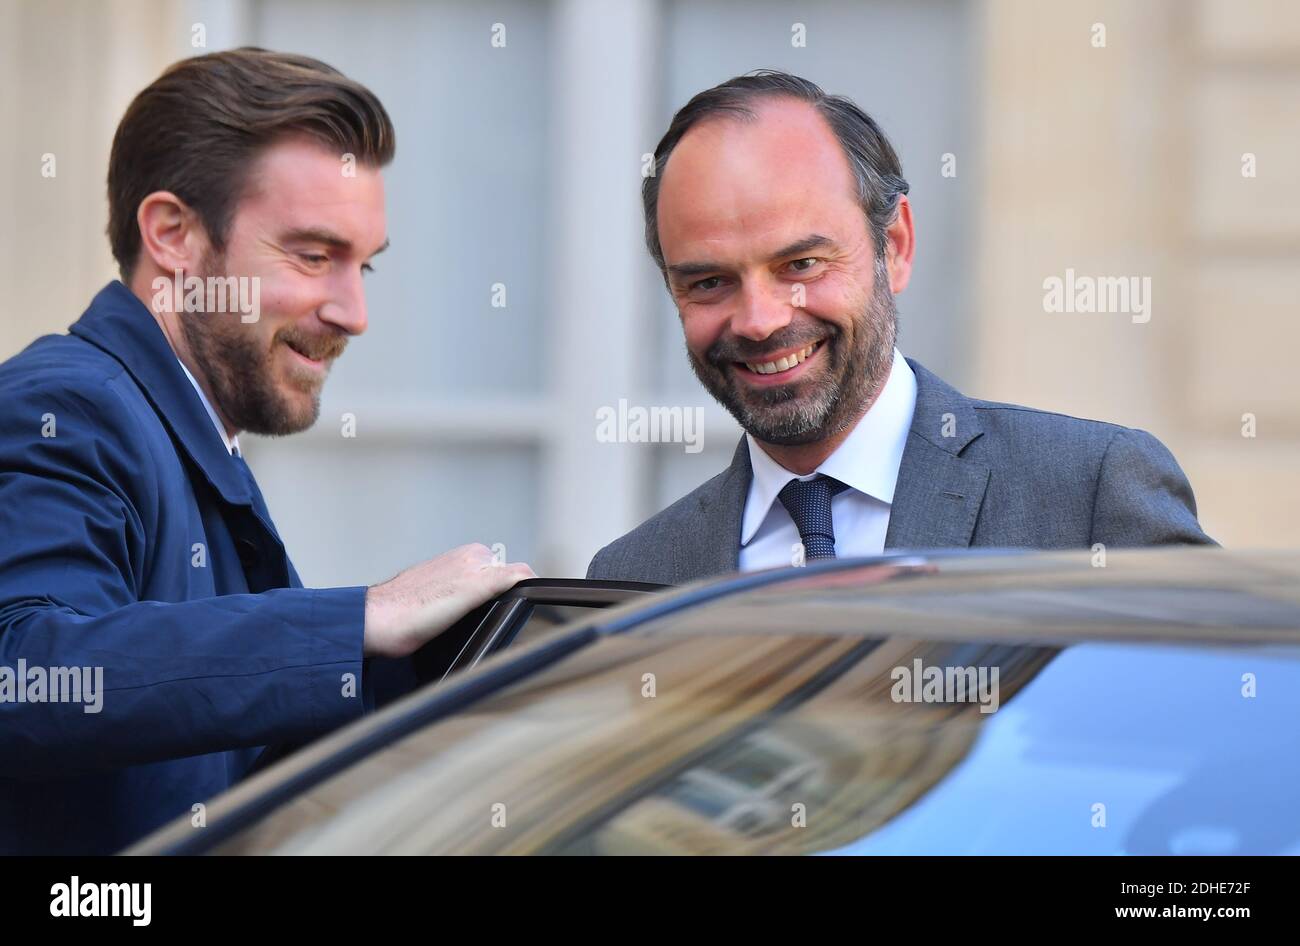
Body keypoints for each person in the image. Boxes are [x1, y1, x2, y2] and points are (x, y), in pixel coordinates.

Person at [0, 48, 532, 854]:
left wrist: (446, 659)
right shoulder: (73, 406)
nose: (353, 311)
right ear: (173, 234)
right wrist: (362, 620)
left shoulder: (178, 425)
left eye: (365, 266)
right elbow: (24, 675)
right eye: (314, 256)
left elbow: (228, 749)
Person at [588, 71, 1212, 585]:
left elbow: (1239, 721)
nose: (759, 320)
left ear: (896, 245)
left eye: (801, 264)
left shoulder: (1087, 496)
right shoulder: (632, 575)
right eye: (709, 282)